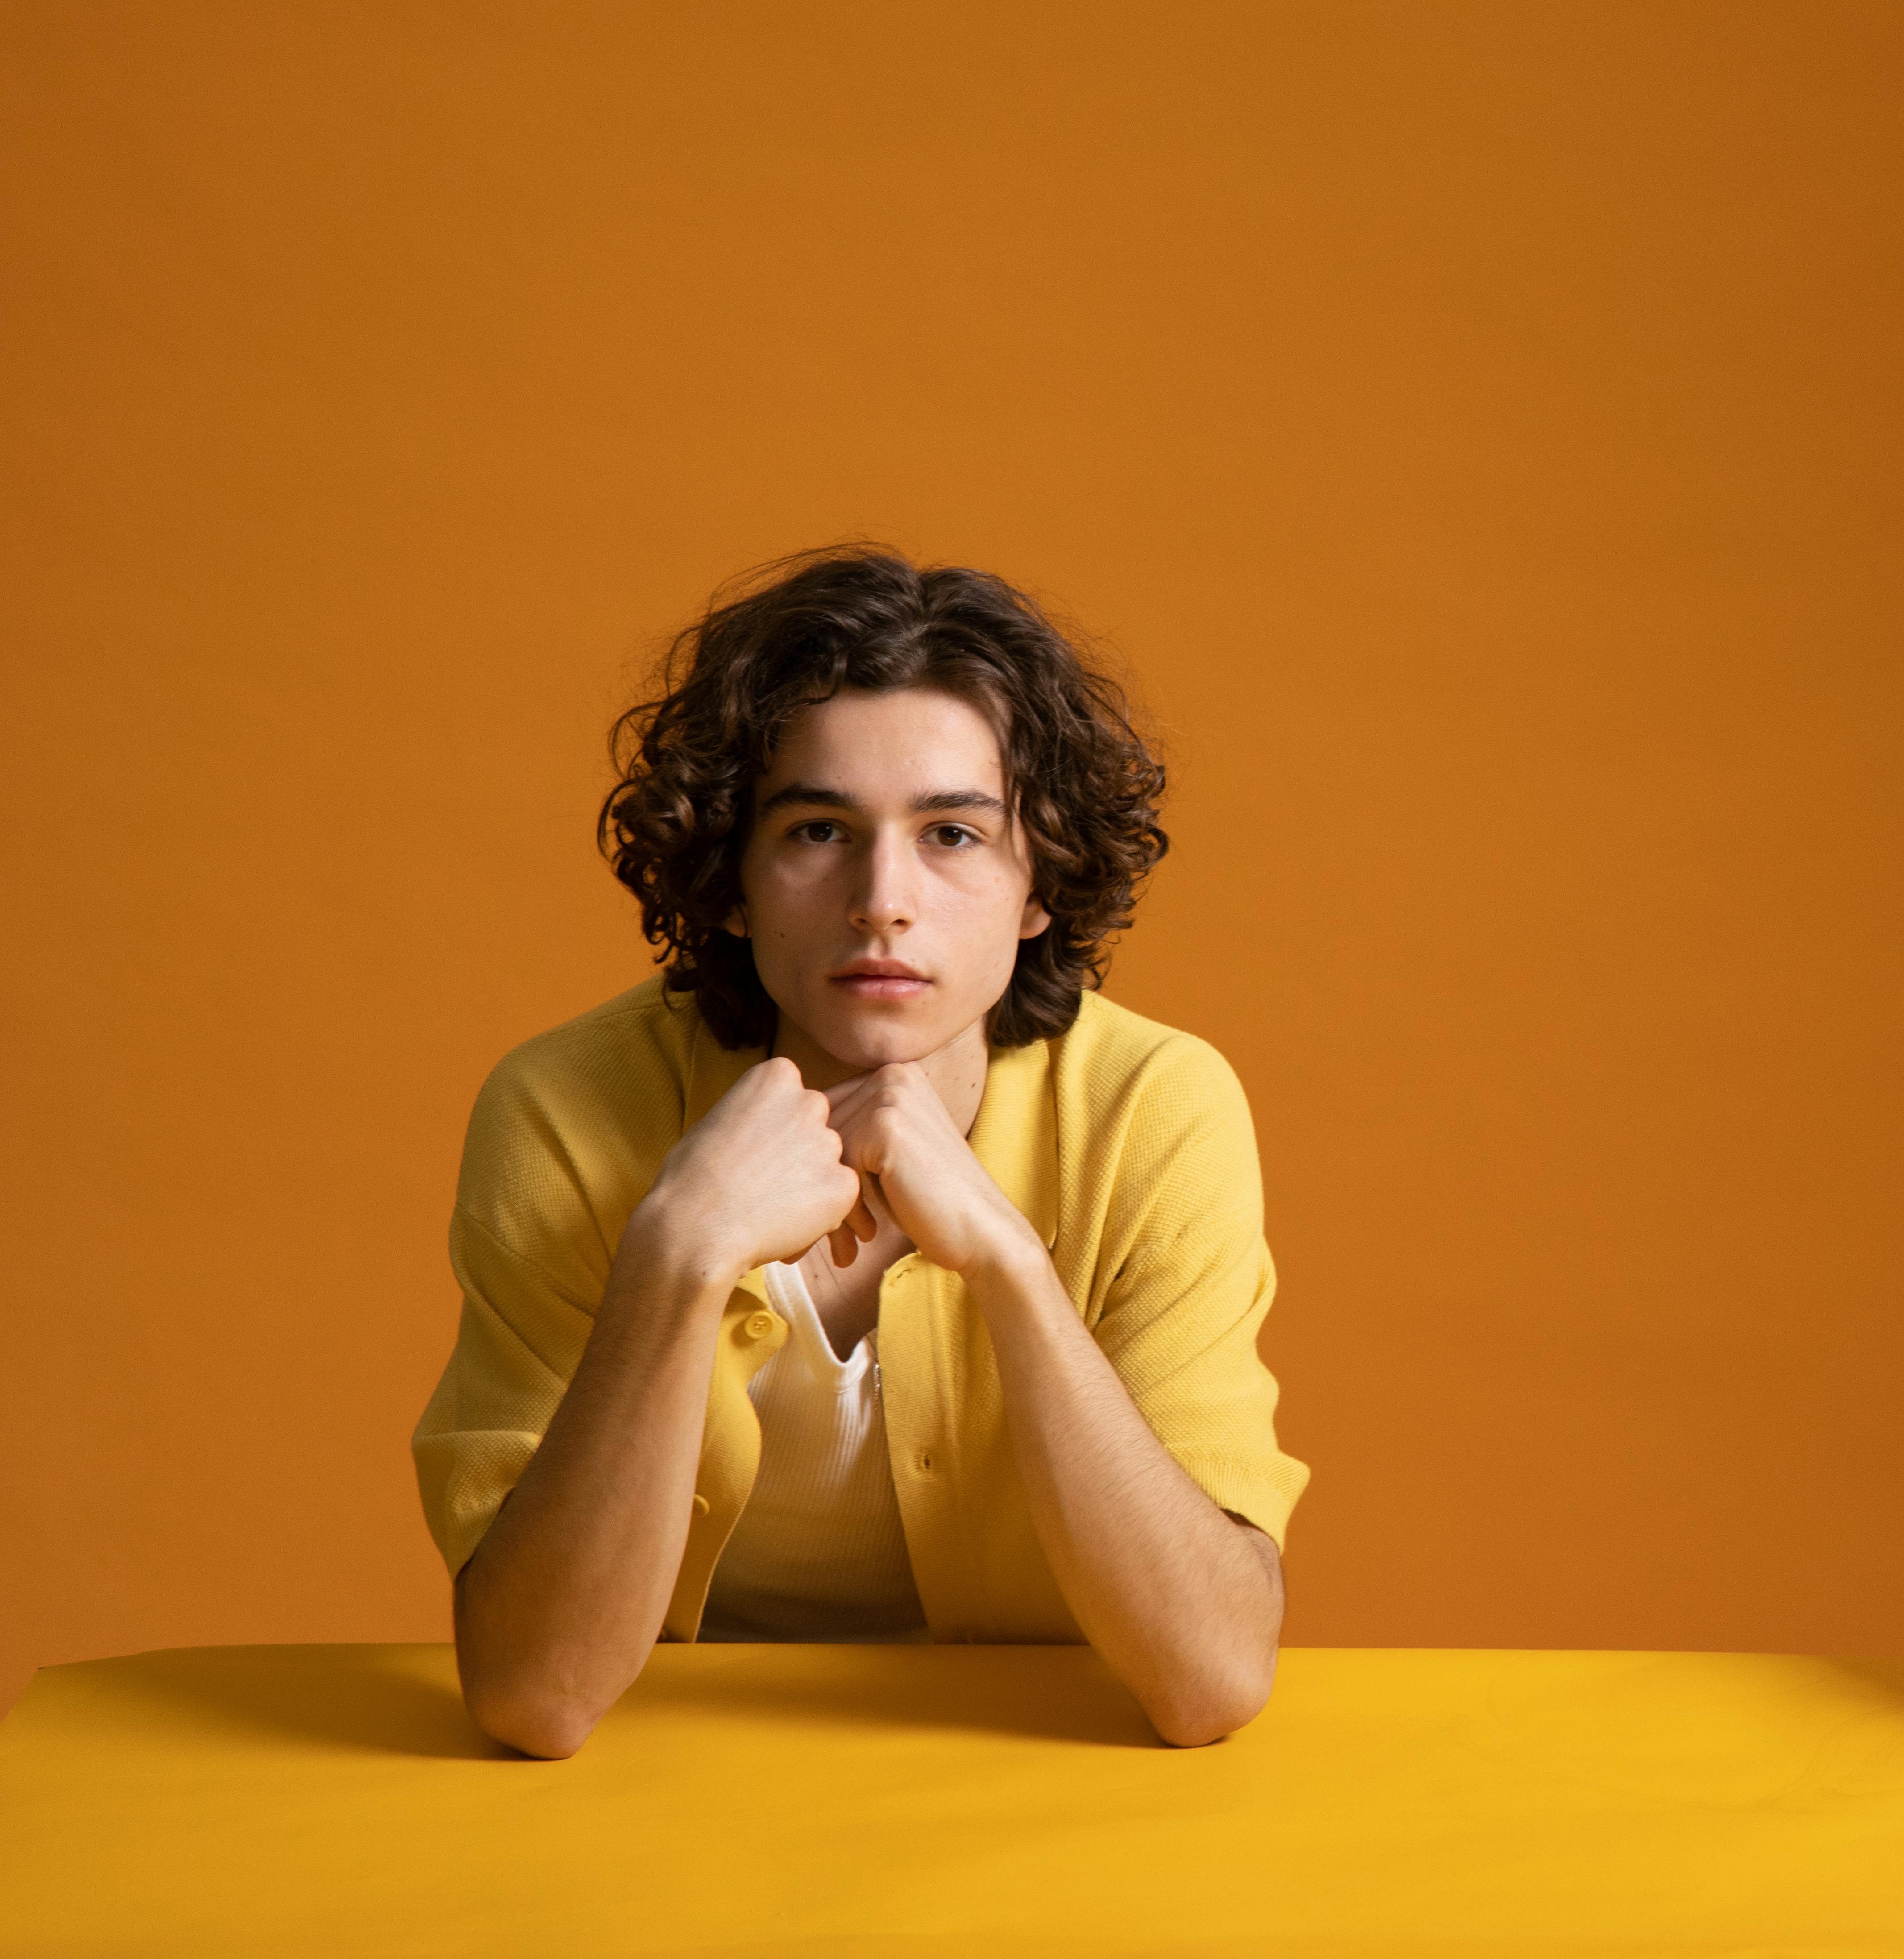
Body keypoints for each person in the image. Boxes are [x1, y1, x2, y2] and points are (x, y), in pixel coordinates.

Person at [411, 548, 1305, 1758]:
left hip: (1035, 1790)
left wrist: (1005, 1260)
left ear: (1040, 881)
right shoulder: (566, 1112)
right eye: (819, 828)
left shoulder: (1157, 1111)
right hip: (670, 1786)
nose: (882, 898)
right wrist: (675, 1254)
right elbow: (533, 1694)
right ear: (731, 875)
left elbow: (1209, 1677)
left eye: (951, 835)